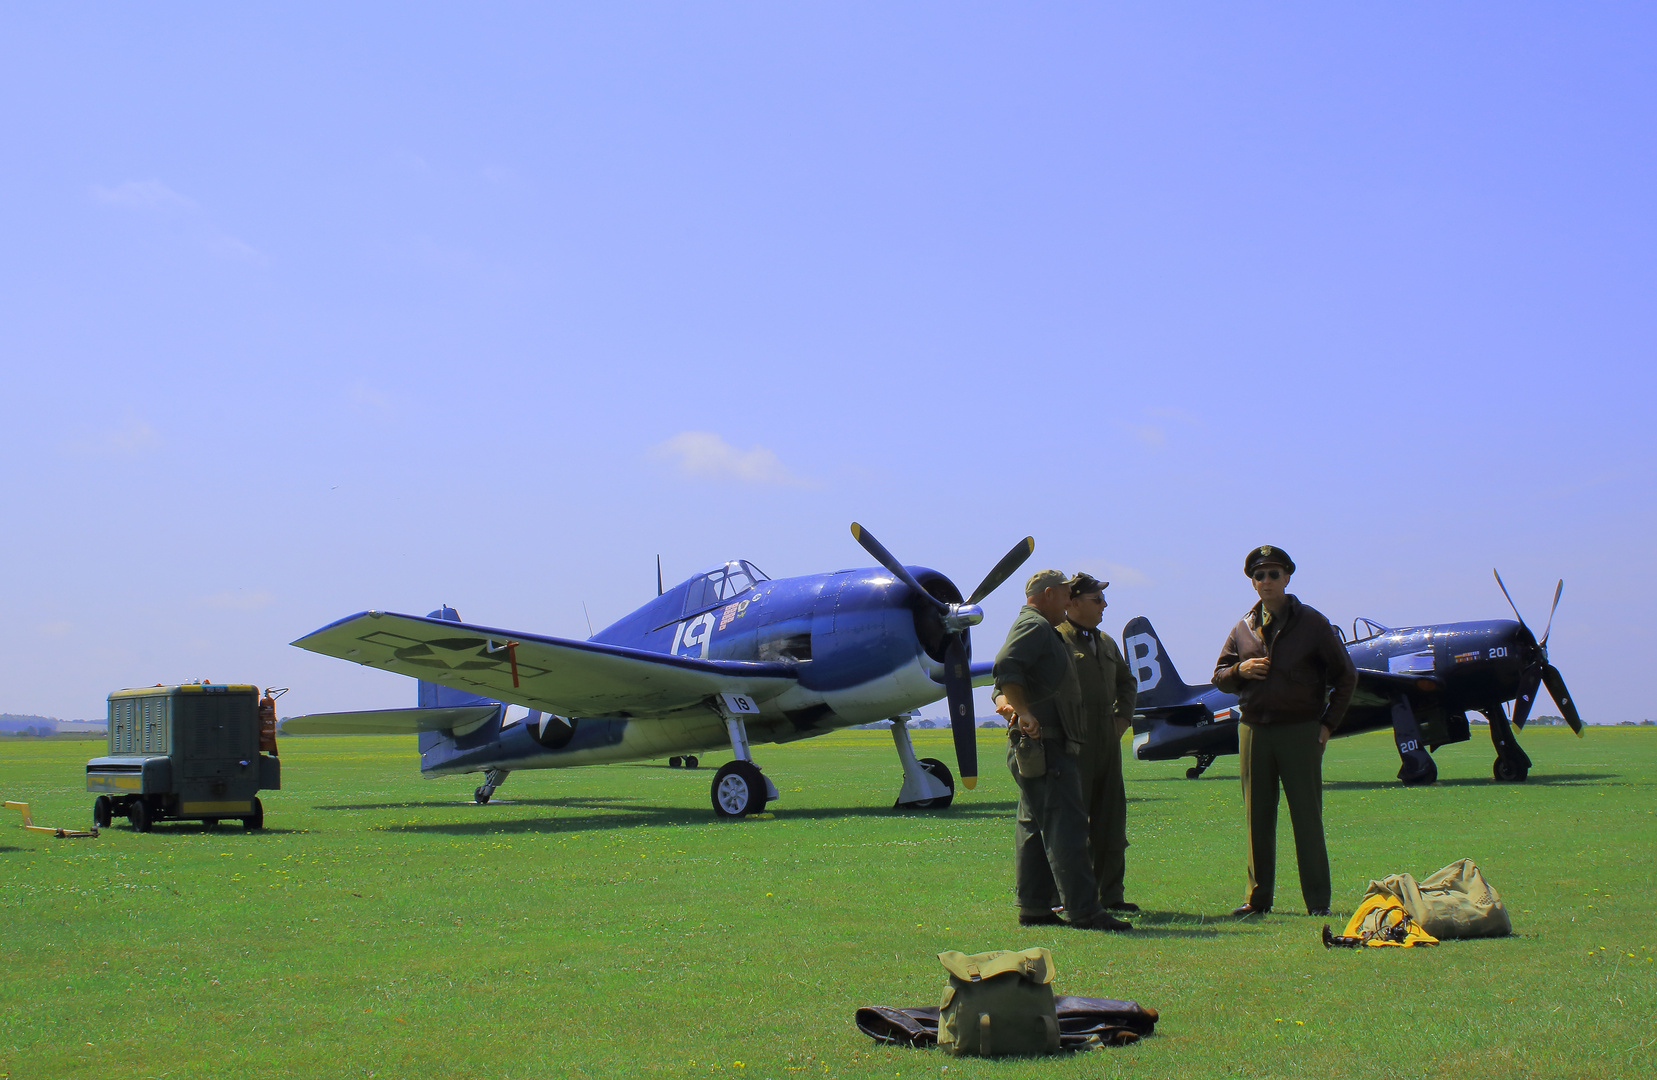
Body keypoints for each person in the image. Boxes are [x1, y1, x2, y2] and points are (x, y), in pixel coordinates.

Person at [1213, 545, 1357, 917]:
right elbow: (1219, 676)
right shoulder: (1242, 627)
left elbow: (1346, 676)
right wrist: (1239, 672)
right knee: (1256, 816)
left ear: (1288, 577)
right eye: (1259, 576)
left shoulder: (1312, 623)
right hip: (1254, 731)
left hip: (1300, 731)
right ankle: (1257, 900)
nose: (1266, 582)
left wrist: (1326, 726)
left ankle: (1318, 903)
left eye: (1273, 574)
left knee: (1306, 817)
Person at [991, 569, 1129, 932]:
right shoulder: (1035, 626)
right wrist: (1022, 713)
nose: (1069, 601)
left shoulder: (1045, 629)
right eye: (1067, 595)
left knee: (1037, 826)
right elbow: (1005, 669)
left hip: (1052, 743)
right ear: (1049, 594)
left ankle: (1035, 906)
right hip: (1048, 744)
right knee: (1066, 827)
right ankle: (1085, 910)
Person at [1058, 572, 1139, 915]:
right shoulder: (1053, 639)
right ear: (1073, 602)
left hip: (1106, 739)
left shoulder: (1105, 641)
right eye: (1096, 599)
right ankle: (1070, 898)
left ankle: (1112, 894)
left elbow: (1126, 682)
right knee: (1072, 824)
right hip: (1071, 741)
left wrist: (1122, 720)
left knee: (1111, 820)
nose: (1104, 605)